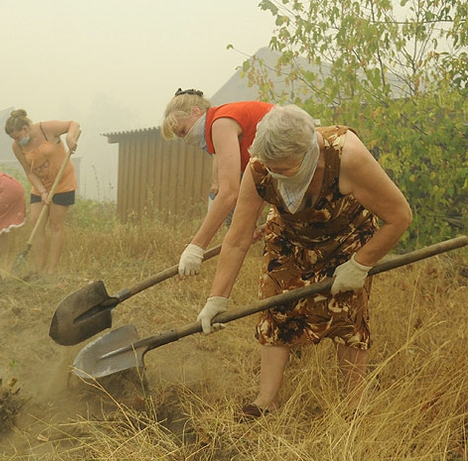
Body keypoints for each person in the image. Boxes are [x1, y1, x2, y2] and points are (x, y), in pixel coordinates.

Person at [196, 104, 412, 419]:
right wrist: (217, 298)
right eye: (271, 167)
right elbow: (238, 238)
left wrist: (361, 263)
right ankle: (265, 401)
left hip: (346, 238)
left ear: (309, 151)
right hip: (290, 239)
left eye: (284, 169)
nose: (274, 174)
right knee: (275, 308)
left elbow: (400, 216)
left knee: (348, 315)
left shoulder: (346, 156)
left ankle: (355, 404)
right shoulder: (259, 169)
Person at [161, 88, 274, 276]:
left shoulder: (220, 123)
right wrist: (249, 224)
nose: (186, 139)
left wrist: (196, 247)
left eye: (183, 131)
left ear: (196, 111)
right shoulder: (225, 126)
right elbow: (263, 179)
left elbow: (229, 193)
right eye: (181, 137)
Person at [4, 109, 80, 275]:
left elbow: (73, 124)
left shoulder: (47, 129)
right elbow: (29, 172)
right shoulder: (17, 146)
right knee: (36, 223)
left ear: (25, 128)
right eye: (13, 138)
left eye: (17, 136)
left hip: (62, 182)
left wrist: (70, 137)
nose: (16, 141)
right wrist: (42, 191)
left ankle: (51, 270)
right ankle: (39, 269)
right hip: (41, 185)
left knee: (55, 224)